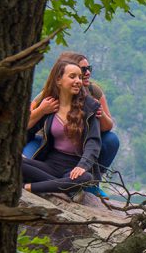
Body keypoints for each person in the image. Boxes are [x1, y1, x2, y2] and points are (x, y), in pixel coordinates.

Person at [25, 52, 120, 198]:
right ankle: (65, 187)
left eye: (79, 77)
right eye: (72, 77)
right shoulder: (49, 103)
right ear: (58, 80)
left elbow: (93, 142)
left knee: (86, 178)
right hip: (51, 163)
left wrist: (83, 166)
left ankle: (30, 187)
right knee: (16, 162)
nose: (78, 81)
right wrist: (41, 111)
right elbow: (27, 128)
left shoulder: (90, 105)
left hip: (75, 166)